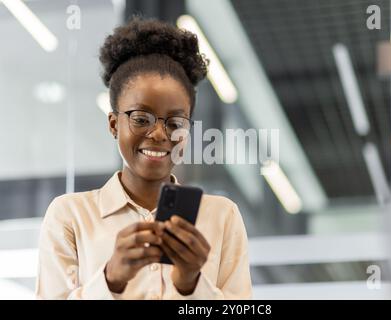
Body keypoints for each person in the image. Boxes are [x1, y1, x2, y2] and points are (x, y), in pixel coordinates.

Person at [36, 16, 252, 300]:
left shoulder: (222, 216)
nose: (160, 134)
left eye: (175, 122)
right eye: (141, 118)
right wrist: (110, 280)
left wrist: (191, 284)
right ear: (114, 124)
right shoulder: (70, 215)